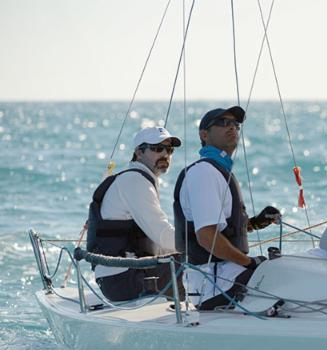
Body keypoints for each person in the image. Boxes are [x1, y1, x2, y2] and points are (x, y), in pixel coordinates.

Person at [174, 106, 281, 310]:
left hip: (225, 276)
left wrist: (255, 223)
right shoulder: (204, 173)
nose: (232, 127)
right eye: (223, 123)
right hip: (214, 284)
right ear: (204, 134)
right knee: (286, 275)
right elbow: (207, 237)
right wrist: (249, 263)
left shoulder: (218, 171)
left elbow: (223, 230)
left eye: (236, 124)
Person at [87, 126, 182, 301]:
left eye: (169, 149)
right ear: (139, 152)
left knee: (191, 256)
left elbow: (156, 242)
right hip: (124, 279)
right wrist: (204, 243)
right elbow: (163, 235)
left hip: (119, 277)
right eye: (157, 148)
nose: (165, 154)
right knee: (204, 264)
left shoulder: (136, 179)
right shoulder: (135, 181)